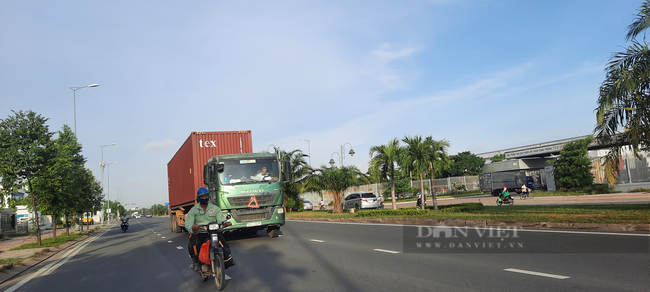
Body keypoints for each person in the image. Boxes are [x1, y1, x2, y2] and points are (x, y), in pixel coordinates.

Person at [186, 187, 235, 272]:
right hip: (201, 232)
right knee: (194, 244)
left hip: (214, 232)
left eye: (206, 196)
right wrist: (193, 227)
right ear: (198, 198)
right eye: (202, 196)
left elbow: (221, 220)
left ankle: (227, 262)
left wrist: (225, 223)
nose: (204, 198)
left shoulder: (215, 208)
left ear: (209, 197)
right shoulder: (193, 210)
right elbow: (188, 224)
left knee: (223, 244)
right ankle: (197, 262)